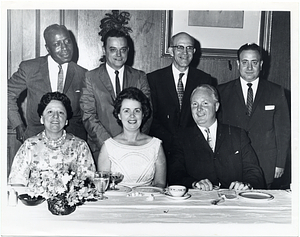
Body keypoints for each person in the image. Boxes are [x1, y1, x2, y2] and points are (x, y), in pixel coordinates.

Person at [217, 43, 290, 188]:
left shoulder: (276, 92)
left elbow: (283, 131)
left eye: (254, 62)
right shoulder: (222, 92)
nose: (249, 68)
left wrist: (280, 164)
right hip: (232, 164)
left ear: (261, 64)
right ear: (238, 64)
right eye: (245, 62)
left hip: (266, 165)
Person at [168, 85, 265, 190]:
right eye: (194, 104)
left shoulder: (237, 135)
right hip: (199, 200)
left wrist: (245, 184)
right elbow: (175, 174)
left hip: (233, 200)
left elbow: (254, 172)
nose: (199, 109)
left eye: (205, 103)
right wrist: (194, 183)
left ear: (216, 106)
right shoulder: (181, 137)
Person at [8, 24, 87, 142]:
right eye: (57, 44)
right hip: (36, 141)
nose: (65, 48)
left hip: (72, 144)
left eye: (67, 42)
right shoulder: (30, 68)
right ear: (48, 48)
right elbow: (6, 94)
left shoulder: (84, 75)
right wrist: (18, 125)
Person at [80, 29, 151, 162]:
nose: (119, 55)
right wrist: (110, 146)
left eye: (123, 50)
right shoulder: (91, 77)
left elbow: (146, 113)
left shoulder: (139, 77)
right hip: (102, 150)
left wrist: (133, 142)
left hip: (135, 150)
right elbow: (88, 115)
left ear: (128, 50)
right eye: (113, 49)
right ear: (104, 50)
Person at [147, 32, 215, 161]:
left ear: (194, 51)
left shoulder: (204, 79)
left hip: (194, 149)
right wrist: (171, 141)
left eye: (189, 48)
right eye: (180, 47)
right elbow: (151, 117)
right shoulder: (154, 79)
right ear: (171, 51)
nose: (185, 52)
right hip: (162, 148)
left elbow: (207, 117)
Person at [8, 92, 96, 186]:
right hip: (35, 199)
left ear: (66, 121)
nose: (55, 116)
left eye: (61, 112)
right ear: (42, 118)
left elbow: (89, 182)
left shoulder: (80, 146)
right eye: (50, 112)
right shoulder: (29, 145)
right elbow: (16, 182)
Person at [98, 87, 166, 188]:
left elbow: (160, 184)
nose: (132, 116)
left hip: (147, 201)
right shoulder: (108, 147)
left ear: (143, 114)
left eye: (137, 111)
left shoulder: (156, 145)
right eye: (126, 111)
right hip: (117, 202)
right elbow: (103, 187)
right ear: (119, 115)